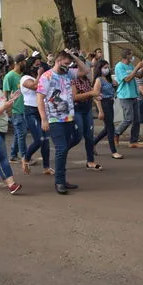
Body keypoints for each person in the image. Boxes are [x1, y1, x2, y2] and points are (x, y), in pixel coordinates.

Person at [36, 50, 89, 194]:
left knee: (76, 139)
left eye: (69, 63)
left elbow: (86, 70)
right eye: (66, 63)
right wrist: (44, 119)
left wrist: (74, 58)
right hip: (54, 118)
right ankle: (59, 181)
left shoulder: (68, 73)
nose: (68, 66)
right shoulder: (46, 77)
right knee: (61, 148)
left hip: (69, 117)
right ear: (58, 61)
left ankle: (63, 179)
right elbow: (40, 98)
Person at [20, 58, 51, 175]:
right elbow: (34, 86)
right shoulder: (25, 78)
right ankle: (26, 158)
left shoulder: (41, 78)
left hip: (41, 110)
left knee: (46, 140)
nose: (39, 68)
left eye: (40, 65)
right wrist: (39, 74)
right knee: (39, 139)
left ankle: (46, 167)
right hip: (31, 111)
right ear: (30, 66)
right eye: (36, 65)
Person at [114, 49, 143, 148]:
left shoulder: (130, 66)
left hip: (133, 95)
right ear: (127, 56)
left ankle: (133, 141)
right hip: (125, 95)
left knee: (137, 120)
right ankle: (116, 133)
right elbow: (127, 79)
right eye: (131, 55)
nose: (133, 57)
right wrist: (137, 67)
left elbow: (139, 76)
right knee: (129, 119)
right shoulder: (119, 66)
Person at [73, 63, 101, 170]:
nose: (85, 71)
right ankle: (62, 151)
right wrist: (91, 94)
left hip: (87, 108)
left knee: (89, 136)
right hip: (77, 109)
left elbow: (91, 92)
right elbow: (74, 97)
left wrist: (96, 96)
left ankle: (91, 161)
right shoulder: (73, 80)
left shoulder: (86, 80)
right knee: (78, 136)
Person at [92, 59, 122, 159]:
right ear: (99, 69)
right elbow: (96, 96)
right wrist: (100, 111)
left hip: (110, 102)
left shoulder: (107, 79)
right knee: (110, 128)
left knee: (107, 128)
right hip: (103, 103)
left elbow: (116, 84)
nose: (107, 69)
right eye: (105, 67)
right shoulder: (98, 80)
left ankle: (93, 143)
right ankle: (113, 151)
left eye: (108, 67)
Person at [4, 54, 28, 163]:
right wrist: (8, 110)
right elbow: (5, 95)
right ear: (18, 63)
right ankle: (25, 157)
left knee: (19, 133)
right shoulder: (9, 76)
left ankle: (13, 155)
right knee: (22, 133)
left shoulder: (24, 76)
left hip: (25, 108)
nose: (25, 64)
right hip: (15, 110)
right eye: (24, 62)